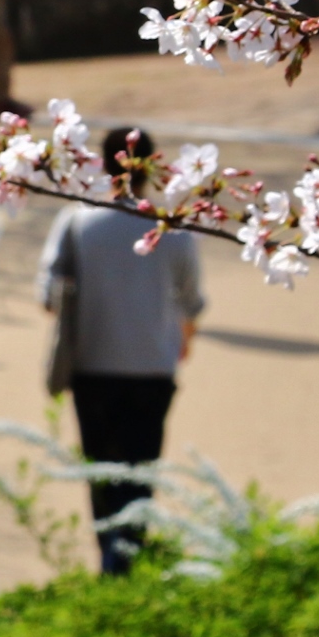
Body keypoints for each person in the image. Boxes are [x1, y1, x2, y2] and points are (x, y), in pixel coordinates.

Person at [39, 127, 201, 574]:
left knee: (102, 469)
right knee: (140, 468)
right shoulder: (172, 229)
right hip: (153, 367)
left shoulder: (78, 221)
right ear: (151, 164)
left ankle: (110, 555)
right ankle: (128, 557)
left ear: (102, 162)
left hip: (92, 365)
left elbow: (49, 296)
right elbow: (192, 302)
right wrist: (179, 338)